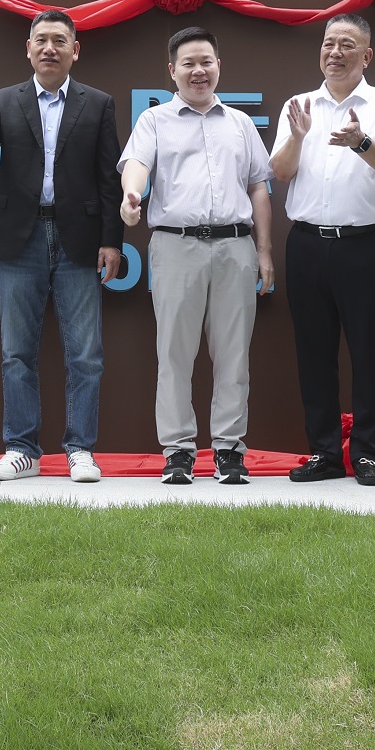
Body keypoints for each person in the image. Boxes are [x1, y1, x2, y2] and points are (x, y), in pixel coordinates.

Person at [0, 9, 123, 485]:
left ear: (75, 50)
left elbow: (109, 178)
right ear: (28, 48)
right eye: (41, 40)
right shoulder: (5, 100)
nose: (49, 48)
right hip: (20, 238)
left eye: (59, 40)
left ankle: (81, 449)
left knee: (85, 353)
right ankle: (21, 449)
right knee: (16, 352)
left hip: (79, 239)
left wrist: (111, 240)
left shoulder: (98, 104)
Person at [118, 26, 275, 486]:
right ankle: (178, 452)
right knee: (174, 353)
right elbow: (137, 164)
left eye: (206, 61)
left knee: (233, 355)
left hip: (235, 247)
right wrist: (132, 194)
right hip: (176, 245)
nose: (198, 71)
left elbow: (259, 187)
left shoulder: (240, 124)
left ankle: (229, 450)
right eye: (188, 63)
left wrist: (264, 251)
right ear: (173, 70)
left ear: (218, 66)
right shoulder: (155, 121)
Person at [267, 15, 375, 488]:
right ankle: (325, 452)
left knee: (369, 353)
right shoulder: (299, 105)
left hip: (366, 245)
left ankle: (366, 453)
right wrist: (298, 136)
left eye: (346, 44)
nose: (335, 52)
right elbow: (280, 173)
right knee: (314, 353)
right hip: (308, 243)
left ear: (366, 55)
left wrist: (361, 142)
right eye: (329, 43)